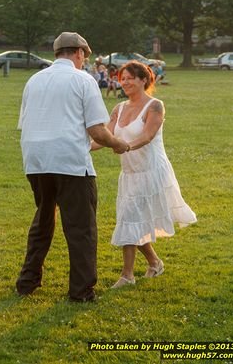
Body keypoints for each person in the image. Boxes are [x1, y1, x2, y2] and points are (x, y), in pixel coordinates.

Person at [16, 32, 129, 301]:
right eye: (85, 56)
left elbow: (25, 122)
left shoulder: (34, 80)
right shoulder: (83, 80)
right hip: (69, 161)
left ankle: (27, 282)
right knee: (81, 228)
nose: (85, 61)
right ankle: (81, 291)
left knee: (43, 221)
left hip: (35, 160)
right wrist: (118, 144)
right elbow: (97, 131)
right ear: (78, 52)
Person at [91, 61, 197, 288]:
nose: (125, 82)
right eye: (122, 78)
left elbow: (148, 136)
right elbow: (104, 137)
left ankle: (127, 276)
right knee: (132, 219)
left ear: (143, 80)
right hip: (129, 173)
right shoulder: (118, 108)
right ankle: (154, 262)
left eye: (130, 77)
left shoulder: (155, 106)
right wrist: (81, 148)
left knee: (130, 217)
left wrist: (125, 146)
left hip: (151, 172)